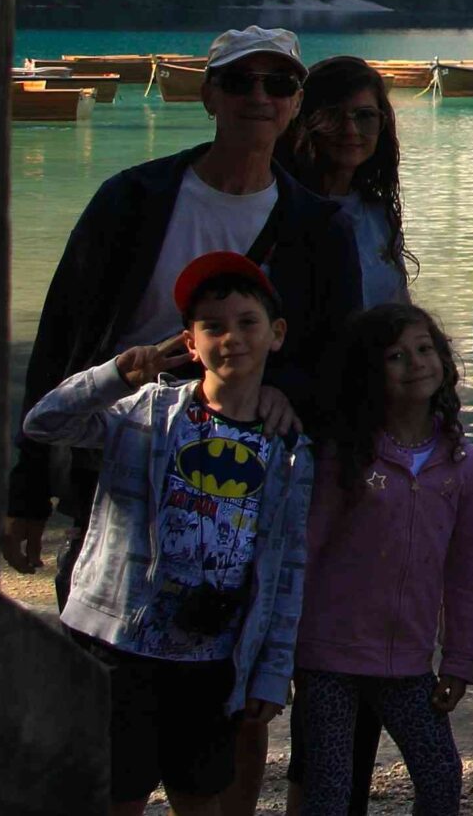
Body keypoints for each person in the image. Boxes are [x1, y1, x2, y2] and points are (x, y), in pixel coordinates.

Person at [7, 26, 357, 606]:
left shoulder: (319, 229)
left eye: (279, 84)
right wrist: (27, 493)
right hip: (117, 461)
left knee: (211, 644)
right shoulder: (130, 201)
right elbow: (61, 340)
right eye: (240, 81)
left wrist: (284, 390)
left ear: (296, 103)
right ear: (209, 96)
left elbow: (338, 357)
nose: (259, 97)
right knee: (98, 639)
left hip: (235, 475)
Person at [21, 252, 315, 816]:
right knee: (112, 794)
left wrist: (272, 671)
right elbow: (43, 423)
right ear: (189, 342)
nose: (232, 338)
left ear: (276, 334)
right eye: (213, 326)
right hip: (116, 645)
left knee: (199, 798)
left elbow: (287, 569)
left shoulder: (292, 453)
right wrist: (114, 375)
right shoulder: (144, 414)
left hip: (211, 657)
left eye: (247, 322)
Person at [289, 303, 473, 816]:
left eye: (425, 349)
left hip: (409, 662)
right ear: (369, 373)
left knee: (442, 776)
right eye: (395, 356)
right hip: (327, 657)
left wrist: (462, 660)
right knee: (330, 793)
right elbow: (304, 551)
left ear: (445, 362)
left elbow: (468, 571)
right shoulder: (345, 454)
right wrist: (279, 649)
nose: (415, 363)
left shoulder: (464, 464)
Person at [278, 54, 412, 311]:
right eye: (334, 115)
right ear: (305, 120)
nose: (350, 130)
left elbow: (398, 307)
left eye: (365, 116)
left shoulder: (380, 214)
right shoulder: (281, 209)